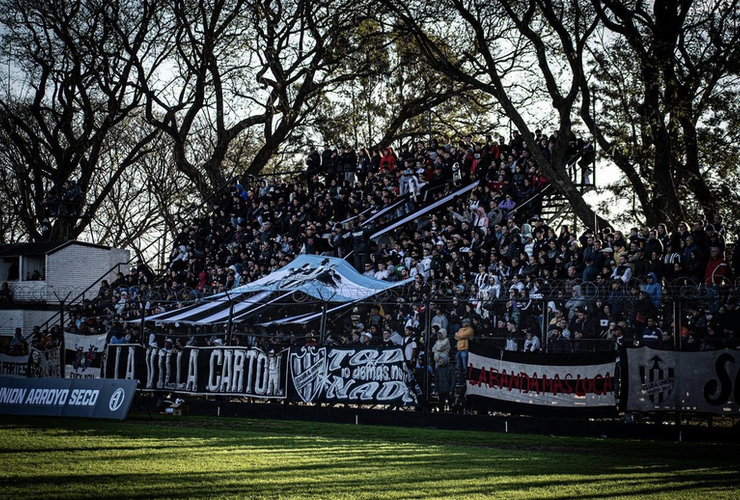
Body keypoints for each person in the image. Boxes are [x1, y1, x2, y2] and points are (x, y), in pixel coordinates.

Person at [454, 318, 474, 382]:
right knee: (459, 367)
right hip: (459, 349)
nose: (463, 323)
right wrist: (459, 335)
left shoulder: (470, 330)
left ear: (468, 323)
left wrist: (458, 334)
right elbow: (456, 337)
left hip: (465, 350)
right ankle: (461, 381)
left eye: (464, 322)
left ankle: (467, 380)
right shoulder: (460, 329)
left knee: (465, 367)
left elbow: (462, 335)